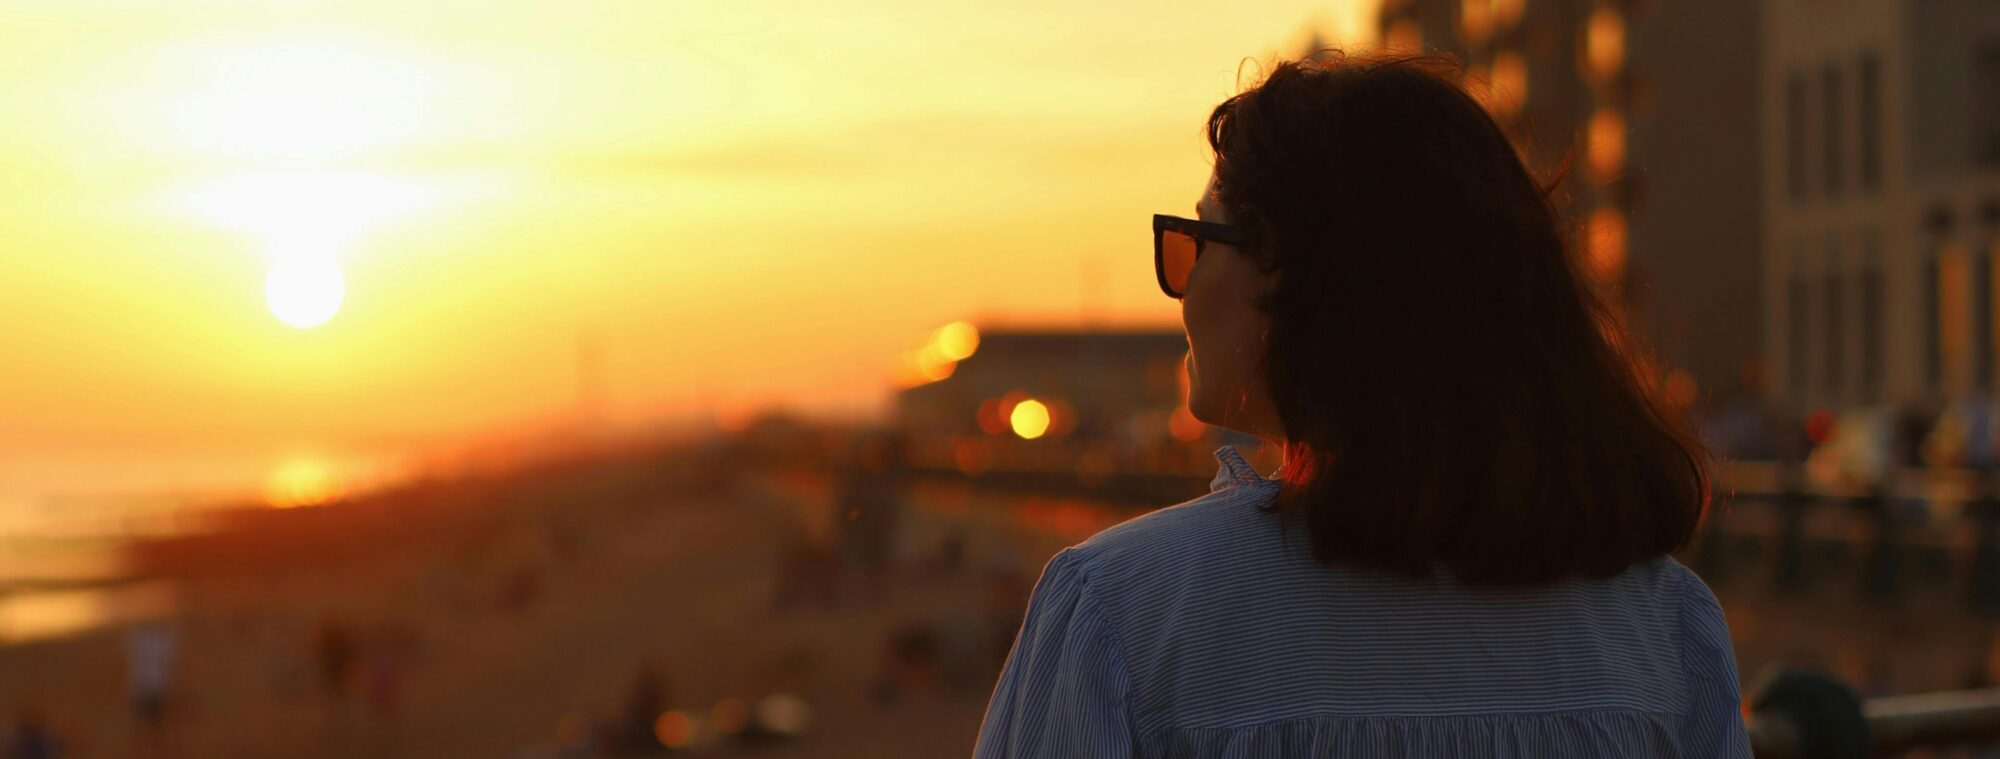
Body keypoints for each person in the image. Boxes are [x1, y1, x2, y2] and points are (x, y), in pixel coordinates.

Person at [974, 52, 1750, 758]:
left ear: (1297, 276)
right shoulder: (1665, 629)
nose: (1179, 288)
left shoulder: (1124, 614)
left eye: (1196, 241)